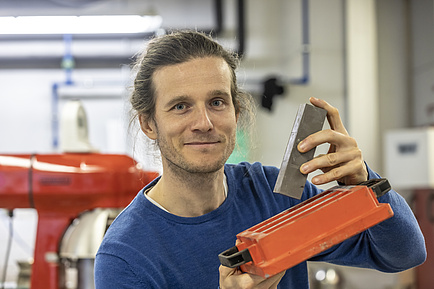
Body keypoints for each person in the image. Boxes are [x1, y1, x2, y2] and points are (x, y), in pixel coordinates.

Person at [94, 31, 426, 289]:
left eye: (217, 102)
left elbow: (404, 254)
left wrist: (368, 185)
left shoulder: (275, 195)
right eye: (180, 106)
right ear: (148, 123)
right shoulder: (126, 255)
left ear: (236, 113)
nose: (204, 122)